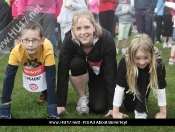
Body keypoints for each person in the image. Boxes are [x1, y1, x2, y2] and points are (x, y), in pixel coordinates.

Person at [56, 9, 117, 116]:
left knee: (99, 108)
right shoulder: (68, 40)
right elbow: (62, 71)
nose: (83, 32)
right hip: (80, 71)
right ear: (73, 29)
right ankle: (83, 97)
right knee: (75, 63)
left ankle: (94, 92)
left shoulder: (106, 39)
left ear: (94, 26)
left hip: (99, 74)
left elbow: (111, 72)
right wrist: (60, 104)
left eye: (87, 27)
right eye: (78, 28)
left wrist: (113, 106)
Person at [0, 21, 59, 119]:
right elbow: (8, 78)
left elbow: (51, 78)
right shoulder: (16, 51)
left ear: (42, 40)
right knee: (9, 77)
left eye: (35, 40)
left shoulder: (47, 48)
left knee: (46, 78)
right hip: (28, 62)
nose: (30, 44)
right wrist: (4, 109)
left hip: (42, 62)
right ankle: (5, 112)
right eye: (26, 40)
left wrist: (53, 111)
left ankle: (47, 97)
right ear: (19, 41)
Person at [113, 34, 167, 119]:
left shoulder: (158, 63)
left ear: (151, 55)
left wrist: (163, 113)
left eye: (146, 58)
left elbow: (160, 86)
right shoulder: (125, 62)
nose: (142, 62)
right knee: (130, 107)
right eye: (137, 58)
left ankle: (141, 108)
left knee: (144, 76)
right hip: (131, 83)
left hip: (145, 81)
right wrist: (115, 112)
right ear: (131, 56)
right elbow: (120, 86)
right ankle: (135, 94)